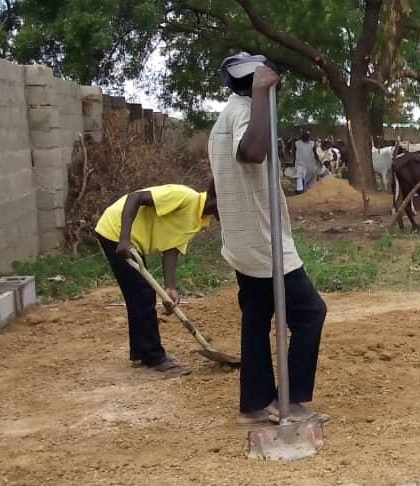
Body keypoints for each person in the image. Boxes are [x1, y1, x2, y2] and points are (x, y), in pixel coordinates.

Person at [208, 52, 328, 425]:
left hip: (243, 242)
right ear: (259, 80)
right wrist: (260, 94)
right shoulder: (244, 109)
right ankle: (287, 402)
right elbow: (252, 152)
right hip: (263, 243)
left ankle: (255, 403)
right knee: (310, 313)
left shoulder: (223, 118)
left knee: (257, 319)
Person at [94, 182, 218, 375]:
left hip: (130, 238)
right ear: (216, 200)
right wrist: (124, 239)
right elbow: (135, 198)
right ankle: (154, 357)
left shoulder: (200, 219)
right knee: (142, 294)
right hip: (115, 231)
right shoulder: (184, 197)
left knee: (139, 296)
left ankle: (139, 353)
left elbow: (172, 247)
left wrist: (170, 287)